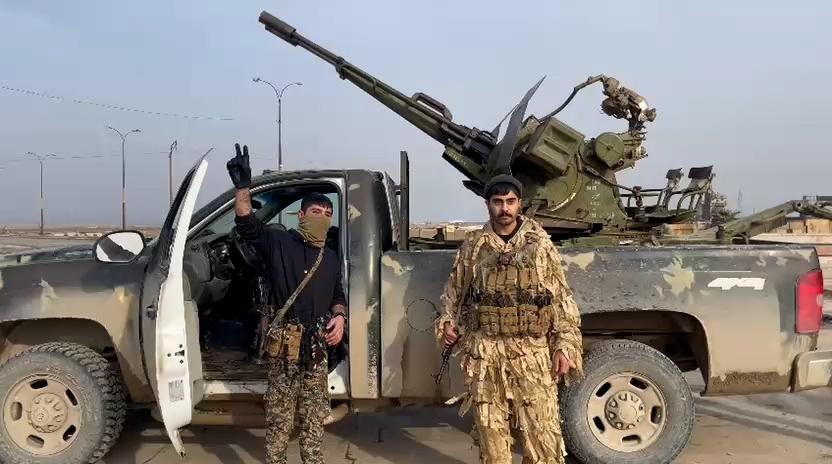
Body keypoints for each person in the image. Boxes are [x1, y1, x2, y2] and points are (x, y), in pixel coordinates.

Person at [436, 173, 584, 464]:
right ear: (487, 204)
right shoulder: (474, 246)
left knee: (543, 438)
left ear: (519, 203)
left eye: (510, 201)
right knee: (492, 439)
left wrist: (564, 345)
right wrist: (448, 322)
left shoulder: (539, 245)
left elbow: (561, 299)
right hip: (486, 353)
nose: (504, 208)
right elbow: (454, 291)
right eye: (498, 202)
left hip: (531, 352)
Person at [227, 143, 347, 464]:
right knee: (280, 421)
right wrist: (242, 188)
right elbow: (246, 223)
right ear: (301, 215)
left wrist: (340, 317)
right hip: (284, 349)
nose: (322, 219)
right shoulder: (278, 243)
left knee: (313, 420)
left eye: (328, 215)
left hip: (317, 348)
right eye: (316, 212)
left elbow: (337, 295)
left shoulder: (330, 257)